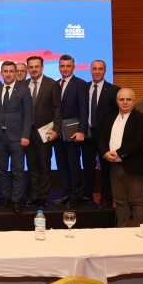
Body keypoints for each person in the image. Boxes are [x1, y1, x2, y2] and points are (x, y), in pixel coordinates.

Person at [98, 89, 143, 227]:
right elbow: (101, 138)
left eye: (128, 99)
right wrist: (105, 153)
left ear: (134, 101)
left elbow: (140, 140)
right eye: (122, 99)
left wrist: (119, 152)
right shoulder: (110, 118)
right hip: (114, 166)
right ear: (117, 101)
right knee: (120, 201)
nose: (125, 102)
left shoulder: (142, 119)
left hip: (134, 167)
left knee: (137, 201)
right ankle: (122, 230)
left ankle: (139, 230)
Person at [0, 62, 32, 214]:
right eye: (5, 71)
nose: (8, 74)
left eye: (11, 71)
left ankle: (16, 199)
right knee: (1, 169)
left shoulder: (24, 90)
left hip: (17, 137)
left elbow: (28, 115)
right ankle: (5, 197)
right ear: (1, 73)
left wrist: (25, 135)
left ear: (16, 73)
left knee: (17, 170)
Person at [23, 56, 61, 209]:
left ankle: (43, 197)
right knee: (32, 166)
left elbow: (57, 108)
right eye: (31, 67)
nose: (34, 69)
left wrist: (56, 129)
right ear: (28, 68)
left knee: (44, 167)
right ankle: (34, 196)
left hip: (45, 131)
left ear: (42, 67)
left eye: (36, 66)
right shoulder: (23, 85)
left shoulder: (52, 84)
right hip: (28, 132)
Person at [82, 60, 120, 208]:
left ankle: (106, 198)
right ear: (90, 70)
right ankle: (87, 195)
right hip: (87, 134)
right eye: (94, 69)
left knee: (106, 169)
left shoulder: (113, 90)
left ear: (105, 71)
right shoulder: (83, 88)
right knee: (88, 167)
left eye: (100, 69)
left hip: (106, 136)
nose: (97, 72)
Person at [52, 55, 88, 209]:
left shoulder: (80, 84)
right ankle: (66, 192)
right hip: (57, 133)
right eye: (62, 66)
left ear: (74, 67)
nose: (65, 69)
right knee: (62, 164)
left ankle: (75, 196)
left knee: (74, 165)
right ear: (59, 67)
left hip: (73, 132)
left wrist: (81, 131)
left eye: (68, 66)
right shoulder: (55, 84)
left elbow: (84, 109)